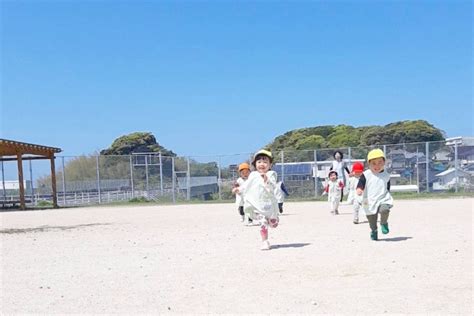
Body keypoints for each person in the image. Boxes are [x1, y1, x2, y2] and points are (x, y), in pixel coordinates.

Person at [243, 149, 280, 250]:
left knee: (273, 224)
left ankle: (273, 219)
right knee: (263, 223)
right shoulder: (253, 175)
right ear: (255, 164)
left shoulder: (271, 174)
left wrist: (266, 179)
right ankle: (265, 241)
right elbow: (246, 185)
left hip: (270, 205)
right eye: (259, 162)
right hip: (257, 206)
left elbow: (273, 185)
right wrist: (239, 189)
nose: (262, 164)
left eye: (265, 161)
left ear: (270, 164)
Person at [356, 149, 393, 241]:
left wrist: (387, 194)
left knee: (385, 209)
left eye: (380, 162)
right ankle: (374, 230)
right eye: (374, 163)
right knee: (371, 217)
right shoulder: (366, 174)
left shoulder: (386, 175)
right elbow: (361, 183)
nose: (377, 166)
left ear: (384, 162)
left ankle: (383, 223)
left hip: (382, 198)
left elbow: (387, 186)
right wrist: (359, 189)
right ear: (369, 164)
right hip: (368, 199)